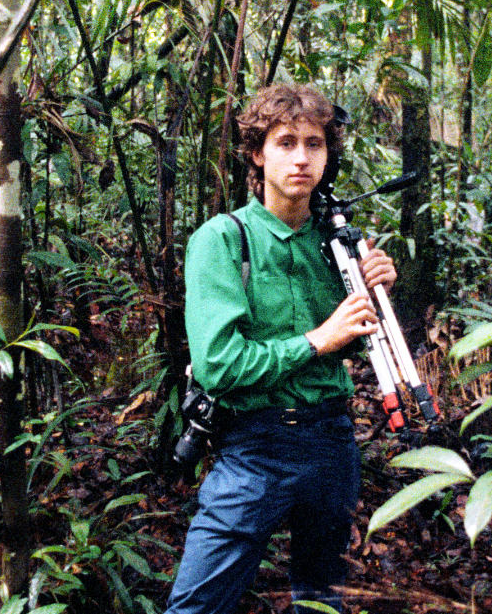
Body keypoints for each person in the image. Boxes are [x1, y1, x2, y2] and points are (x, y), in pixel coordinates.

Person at [165, 83, 397, 614]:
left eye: (314, 144)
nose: (301, 158)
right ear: (256, 153)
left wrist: (373, 295)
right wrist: (319, 340)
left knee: (321, 601)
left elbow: (360, 349)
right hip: (253, 447)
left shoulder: (336, 242)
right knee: (197, 606)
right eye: (285, 142)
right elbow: (219, 365)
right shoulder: (222, 240)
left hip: (331, 442)